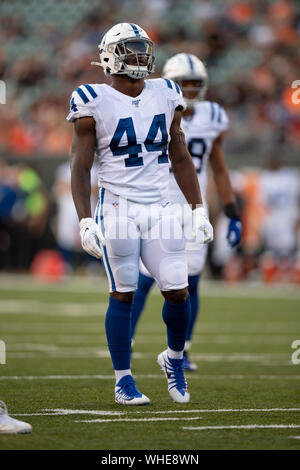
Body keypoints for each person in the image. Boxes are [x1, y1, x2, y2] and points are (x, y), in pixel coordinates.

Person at [67, 23, 213, 405]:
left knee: (178, 292)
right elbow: (81, 167)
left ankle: (174, 360)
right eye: (131, 50)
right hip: (118, 206)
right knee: (123, 294)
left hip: (162, 203)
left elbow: (179, 153)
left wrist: (198, 209)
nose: (140, 57)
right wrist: (85, 219)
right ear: (111, 55)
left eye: (143, 49)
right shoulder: (91, 98)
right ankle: (123, 380)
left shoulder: (166, 92)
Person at [130, 53, 242, 371]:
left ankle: (181, 351)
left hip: (194, 208)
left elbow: (218, 168)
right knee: (143, 279)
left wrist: (233, 211)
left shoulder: (213, 115)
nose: (190, 89)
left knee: (191, 281)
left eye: (195, 83)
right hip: (158, 202)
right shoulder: (152, 107)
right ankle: (126, 342)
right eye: (183, 83)